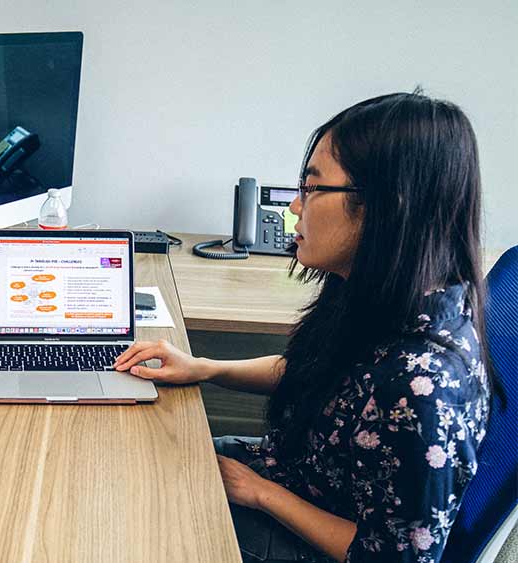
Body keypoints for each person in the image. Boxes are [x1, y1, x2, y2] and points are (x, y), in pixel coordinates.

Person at [115, 92, 493, 562]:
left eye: (312, 189)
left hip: (308, 534)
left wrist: (261, 494)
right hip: (293, 474)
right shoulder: (379, 290)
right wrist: (205, 367)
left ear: (385, 207)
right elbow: (317, 375)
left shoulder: (420, 384)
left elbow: (395, 558)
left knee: (128, 522)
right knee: (130, 456)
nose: (294, 206)